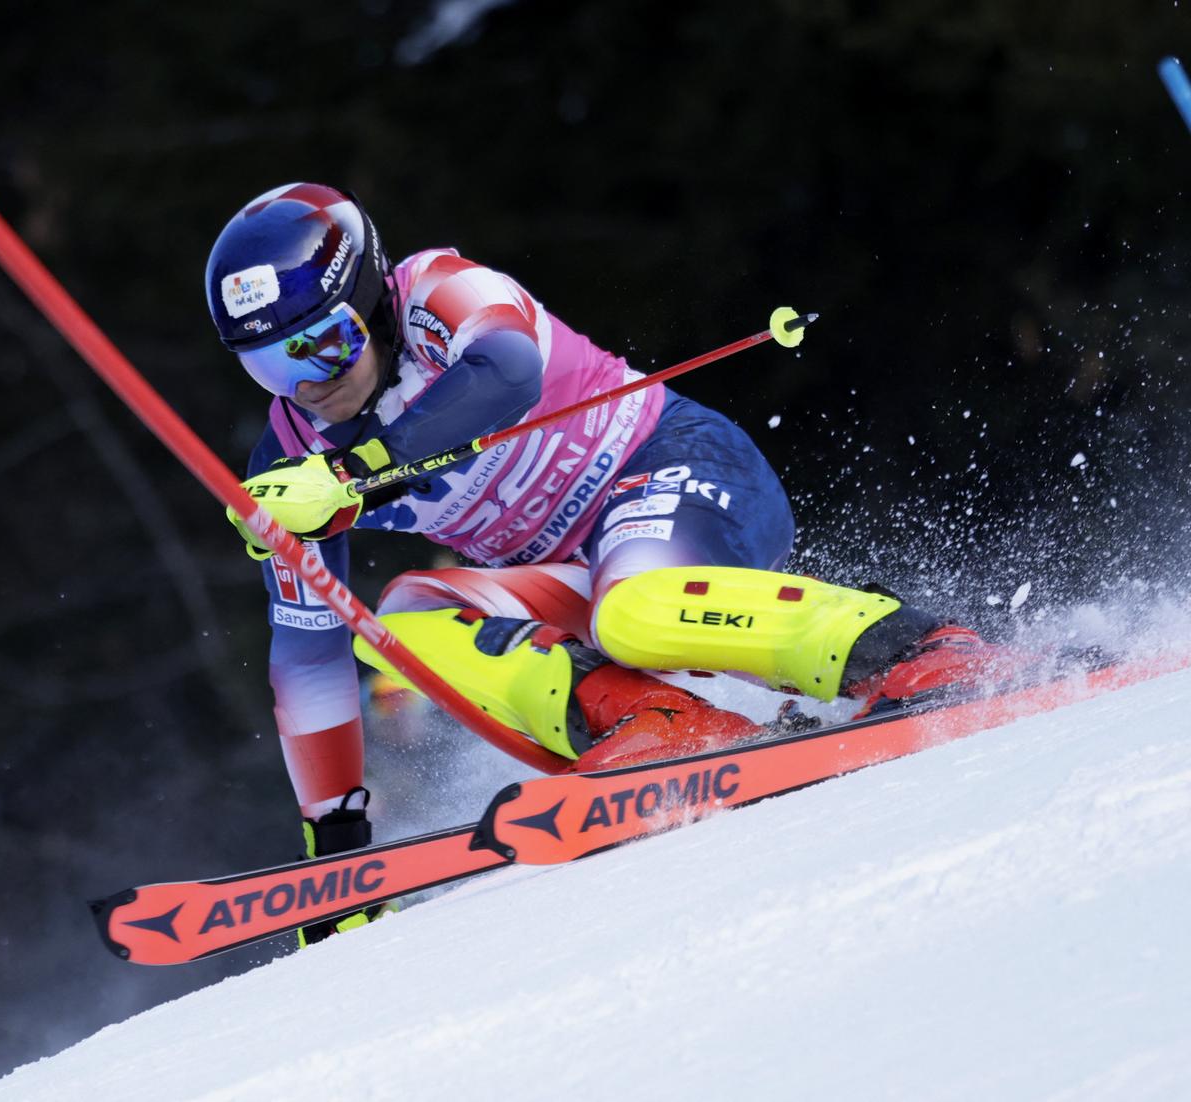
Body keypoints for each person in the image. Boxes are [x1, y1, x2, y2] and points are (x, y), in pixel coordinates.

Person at [205, 183, 1006, 945]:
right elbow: (307, 654)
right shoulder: (292, 458)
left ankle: (919, 650)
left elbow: (507, 373)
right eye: (273, 367)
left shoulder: (438, 292)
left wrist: (355, 474)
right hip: (573, 569)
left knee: (636, 610)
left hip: (677, 467)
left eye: (327, 342)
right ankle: (660, 726)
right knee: (399, 626)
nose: (313, 385)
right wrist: (338, 839)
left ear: (373, 301)